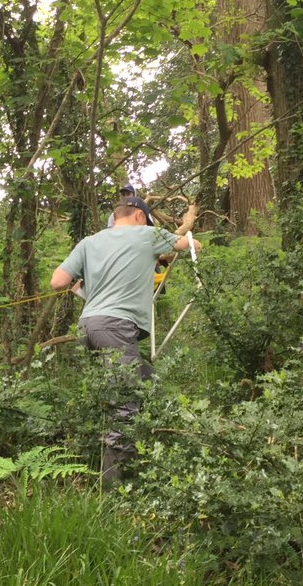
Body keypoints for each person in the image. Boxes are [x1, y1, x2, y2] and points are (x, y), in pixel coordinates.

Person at [50, 196, 198, 486]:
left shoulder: (89, 242)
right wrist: (190, 241)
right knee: (125, 406)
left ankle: (158, 451)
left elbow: (57, 281)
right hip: (116, 329)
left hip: (88, 328)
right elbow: (187, 245)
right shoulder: (147, 235)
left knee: (146, 382)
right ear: (140, 217)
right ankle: (114, 490)